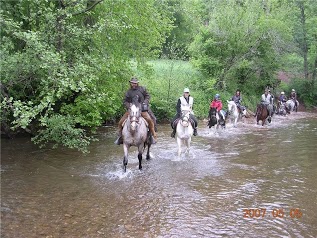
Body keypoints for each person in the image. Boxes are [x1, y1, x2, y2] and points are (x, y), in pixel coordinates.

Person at [114, 77, 157, 145]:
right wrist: (129, 106)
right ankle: (119, 137)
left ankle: (152, 135)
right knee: (120, 122)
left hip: (142, 109)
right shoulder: (128, 92)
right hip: (131, 110)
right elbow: (125, 101)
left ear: (137, 83)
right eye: (132, 83)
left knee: (150, 119)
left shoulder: (142, 89)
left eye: (135, 83)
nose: (133, 84)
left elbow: (147, 96)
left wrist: (145, 102)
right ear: (130, 83)